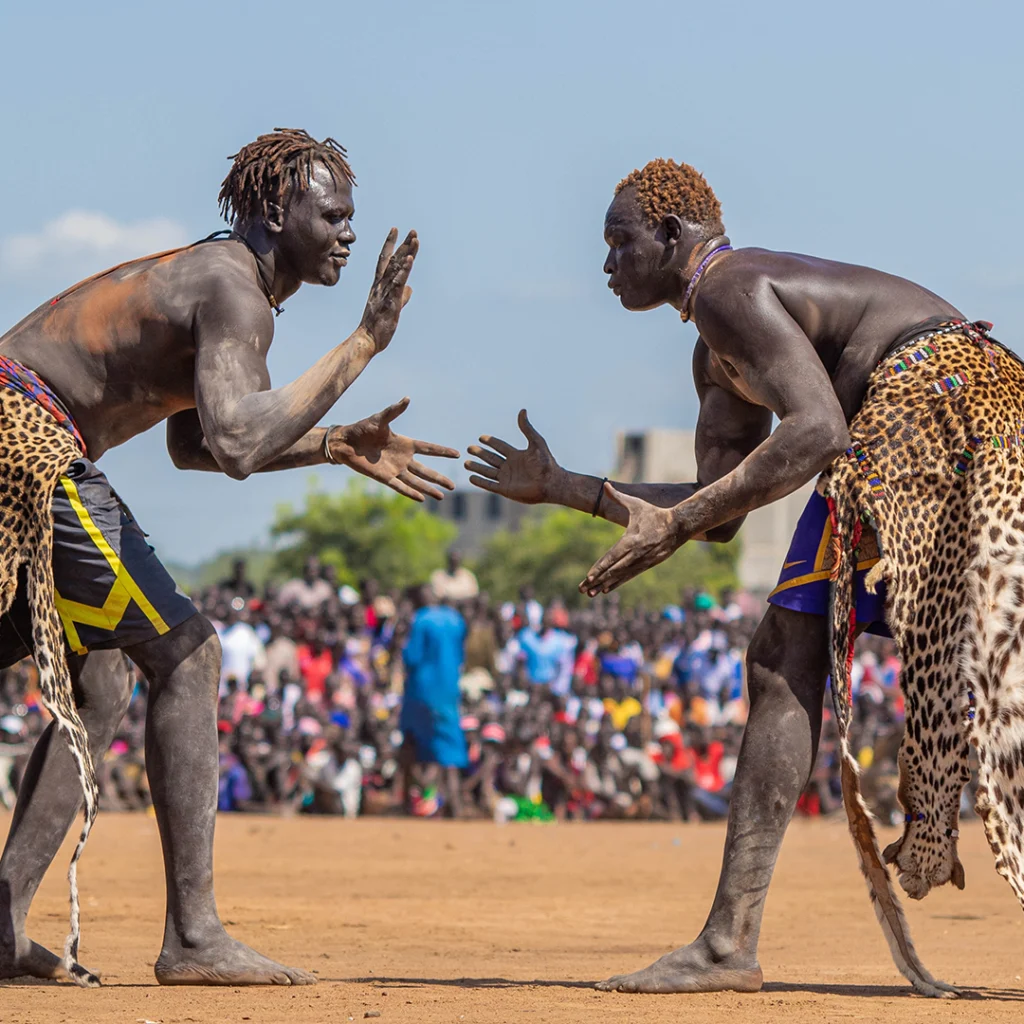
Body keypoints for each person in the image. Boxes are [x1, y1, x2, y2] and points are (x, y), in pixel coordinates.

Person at [466, 157, 1024, 996]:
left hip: (928, 410)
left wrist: (676, 523)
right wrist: (568, 489)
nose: (608, 265)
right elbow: (720, 510)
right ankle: (727, 942)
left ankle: (728, 944)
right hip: (956, 416)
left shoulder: (728, 287)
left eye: (620, 242)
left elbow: (818, 434)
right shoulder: (715, 353)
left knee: (785, 655)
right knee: (795, 652)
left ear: (669, 234)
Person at [0, 128, 459, 987]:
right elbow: (241, 443)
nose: (348, 234)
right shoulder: (233, 289)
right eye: (331, 216)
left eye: (350, 217)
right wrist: (363, 343)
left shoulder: (225, 286)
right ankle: (194, 937)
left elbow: (197, 444)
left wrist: (333, 445)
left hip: (13, 436)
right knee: (189, 653)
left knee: (100, 676)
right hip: (26, 442)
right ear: (273, 210)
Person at [400, 584, 468, 817]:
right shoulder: (455, 619)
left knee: (412, 742)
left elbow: (412, 656)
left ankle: (408, 803)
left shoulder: (420, 620)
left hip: (422, 690)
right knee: (449, 746)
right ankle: (455, 805)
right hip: (449, 689)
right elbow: (460, 655)